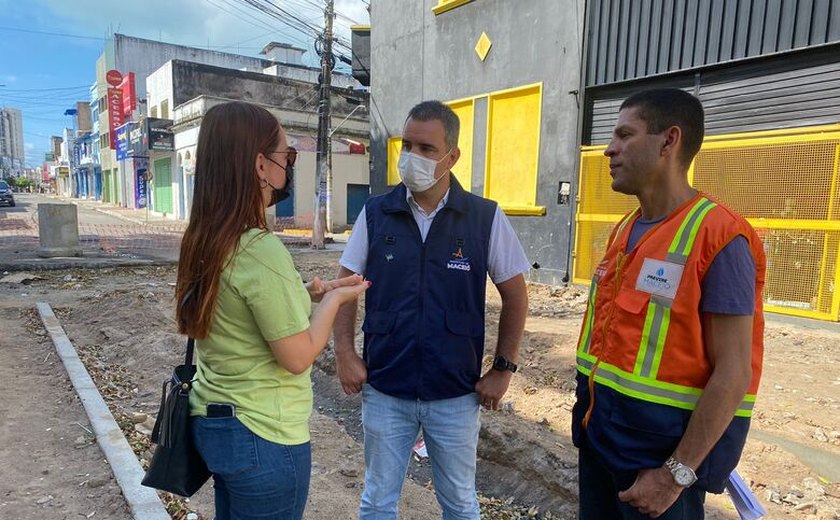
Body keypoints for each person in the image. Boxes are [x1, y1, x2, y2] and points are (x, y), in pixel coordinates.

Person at [572, 88, 766, 519]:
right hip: (603, 444)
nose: (608, 149)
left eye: (625, 135)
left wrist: (674, 475)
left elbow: (734, 373)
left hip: (660, 470)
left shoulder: (718, 236)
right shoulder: (626, 229)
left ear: (668, 141)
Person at [333, 100, 531, 519]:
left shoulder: (484, 218)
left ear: (452, 157)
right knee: (377, 500)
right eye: (408, 145)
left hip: (454, 394)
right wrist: (345, 354)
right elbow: (345, 287)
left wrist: (503, 369)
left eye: (426, 149)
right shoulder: (376, 213)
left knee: (459, 503)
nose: (413, 156)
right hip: (386, 387)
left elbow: (516, 295)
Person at [174, 101, 369, 520]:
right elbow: (297, 356)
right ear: (261, 165)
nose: (288, 166)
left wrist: (308, 292)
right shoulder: (260, 250)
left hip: (215, 423)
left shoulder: (205, 238)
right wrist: (335, 300)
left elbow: (238, 308)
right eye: (287, 156)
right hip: (263, 434)